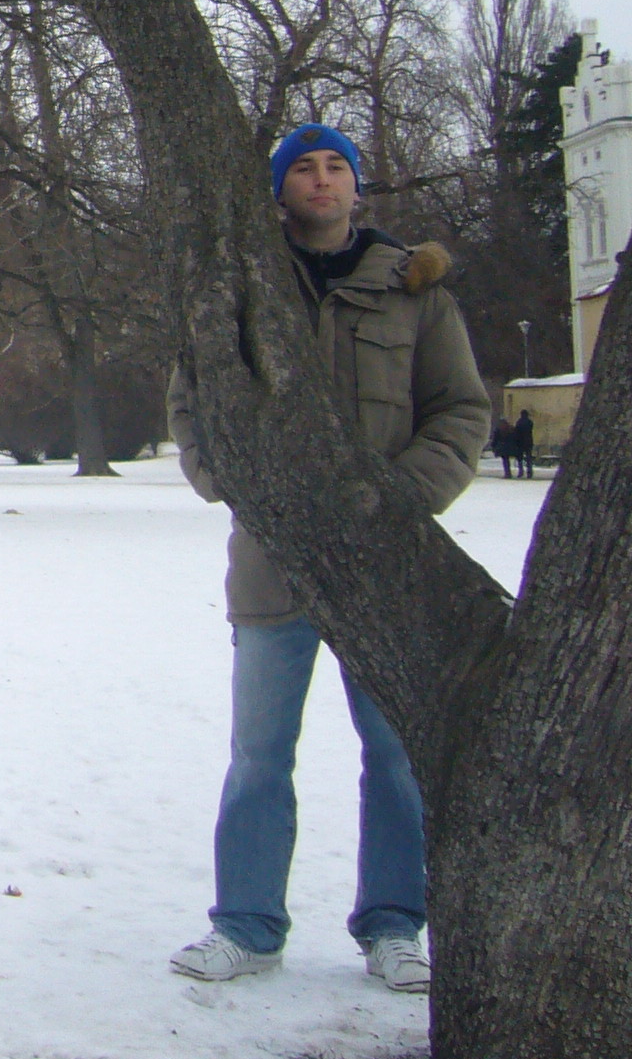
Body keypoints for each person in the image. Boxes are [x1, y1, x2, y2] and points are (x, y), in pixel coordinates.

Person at [167, 124, 489, 995]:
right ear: (279, 191)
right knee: (259, 756)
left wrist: (395, 502)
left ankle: (394, 927)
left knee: (396, 757)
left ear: (356, 186)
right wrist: (231, 482)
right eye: (302, 168)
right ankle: (246, 927)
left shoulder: (414, 290)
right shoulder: (240, 288)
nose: (321, 180)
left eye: (335, 166)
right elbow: (193, 403)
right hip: (273, 565)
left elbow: (461, 412)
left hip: (388, 568)